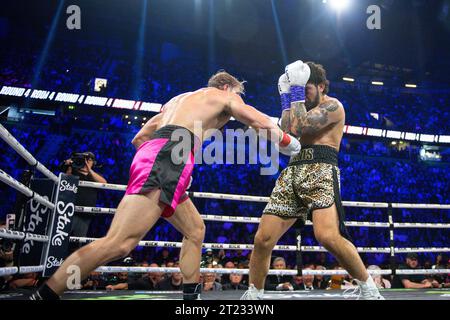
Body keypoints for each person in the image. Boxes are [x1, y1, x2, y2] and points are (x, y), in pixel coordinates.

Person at [31, 71, 300, 300]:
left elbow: (139, 138)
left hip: (161, 154)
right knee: (120, 243)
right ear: (227, 86)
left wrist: (176, 164)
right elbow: (259, 121)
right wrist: (289, 144)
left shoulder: (176, 102)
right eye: (237, 93)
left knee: (195, 230)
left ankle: (190, 299)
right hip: (168, 157)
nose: (237, 99)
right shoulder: (225, 96)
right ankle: (43, 294)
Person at [243, 60, 384, 300]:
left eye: (306, 89)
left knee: (327, 236)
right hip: (293, 171)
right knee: (263, 238)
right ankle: (254, 294)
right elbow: (287, 128)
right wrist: (286, 96)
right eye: (300, 88)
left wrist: (295, 90)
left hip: (321, 170)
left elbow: (301, 127)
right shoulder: (301, 103)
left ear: (320, 86)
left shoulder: (334, 106)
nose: (304, 94)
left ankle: (369, 289)